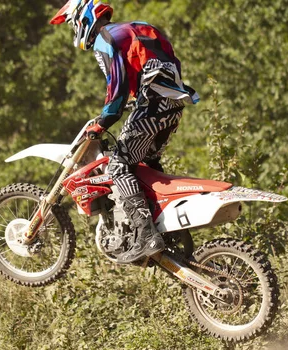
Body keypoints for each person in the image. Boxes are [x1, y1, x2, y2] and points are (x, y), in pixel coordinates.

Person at [50, 0, 199, 263]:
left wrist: (105, 120)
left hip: (153, 102)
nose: (75, 31)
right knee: (146, 164)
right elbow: (161, 64)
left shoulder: (105, 38)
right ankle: (171, 231)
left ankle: (146, 235)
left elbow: (116, 86)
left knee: (118, 165)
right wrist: (138, 100)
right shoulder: (139, 28)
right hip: (174, 103)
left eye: (74, 25)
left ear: (82, 19)